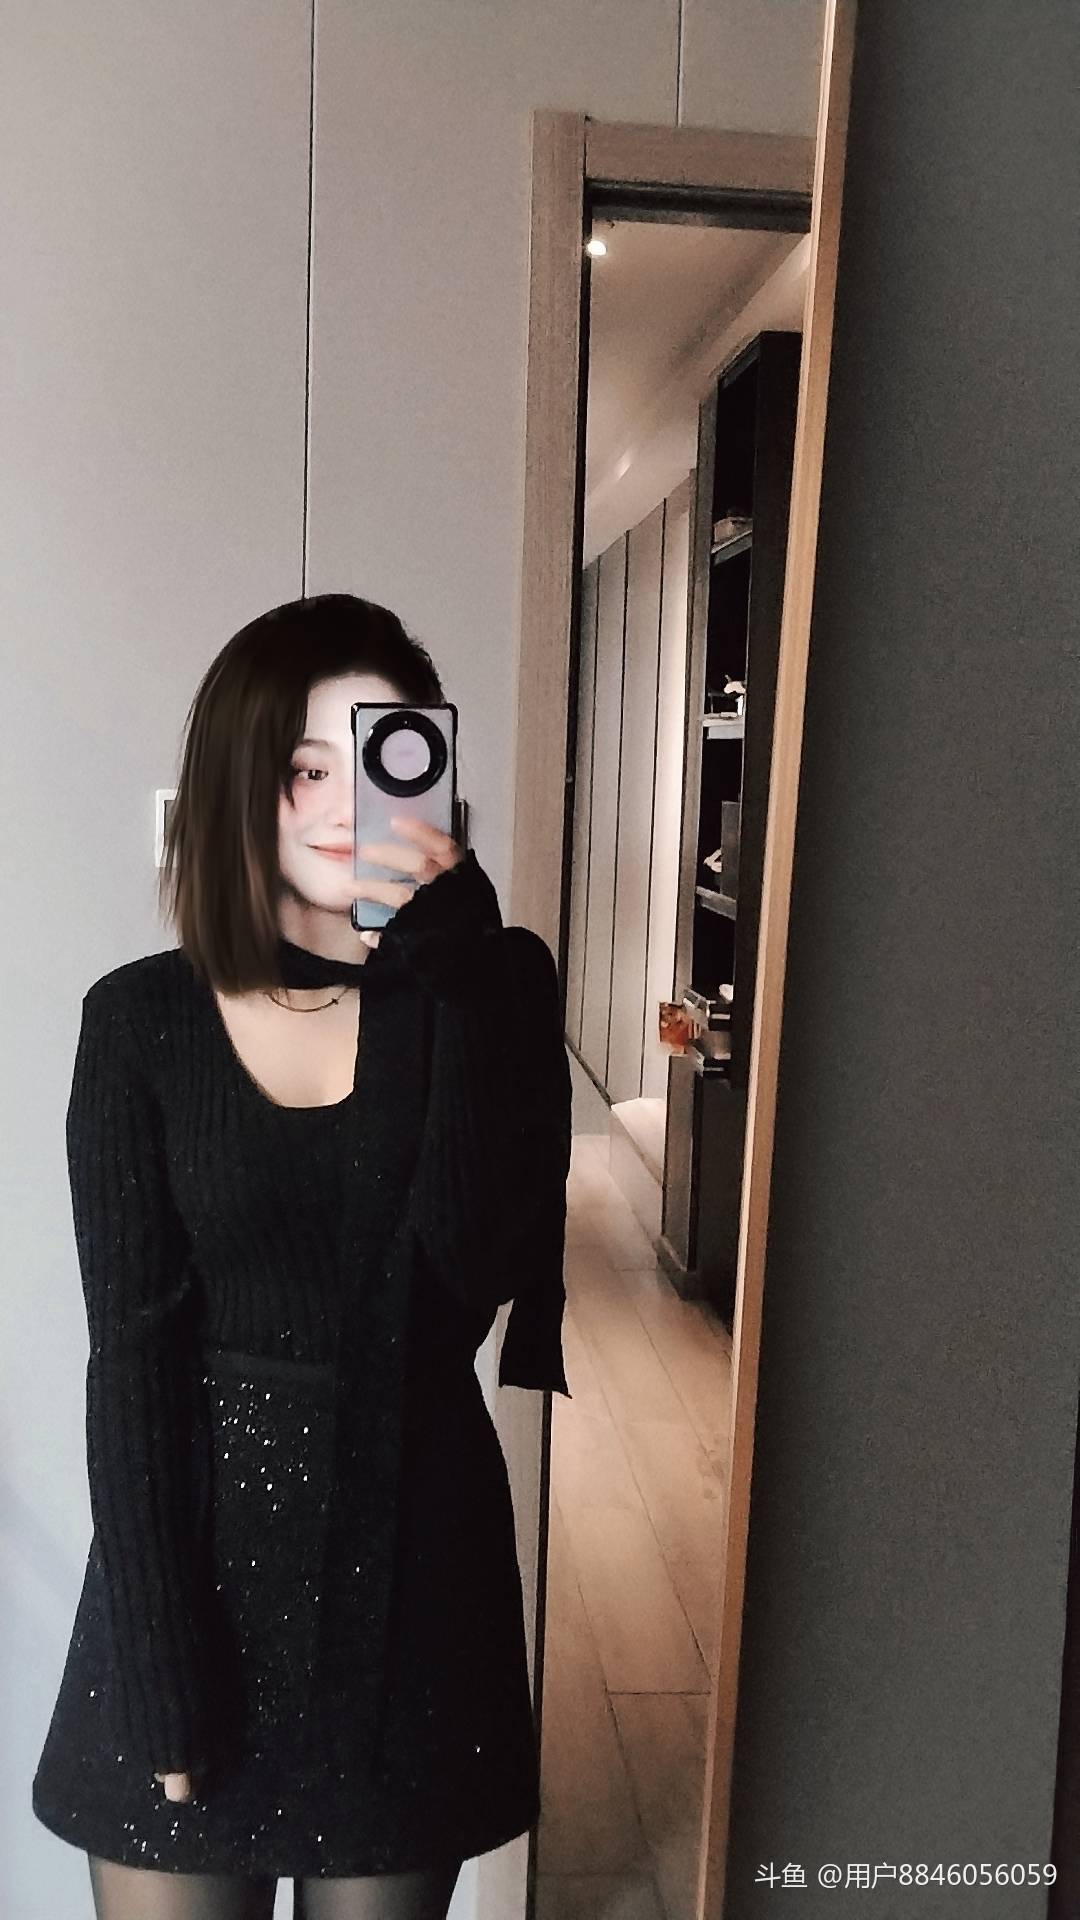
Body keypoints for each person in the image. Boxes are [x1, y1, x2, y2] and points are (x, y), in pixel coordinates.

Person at [31, 594, 573, 1919]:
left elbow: (473, 1269)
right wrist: (159, 1668)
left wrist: (456, 977)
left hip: (413, 1580)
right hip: (190, 1585)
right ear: (239, 786)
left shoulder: (493, 988)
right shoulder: (142, 1020)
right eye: (302, 769)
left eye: (379, 759)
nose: (341, 806)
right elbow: (134, 1361)